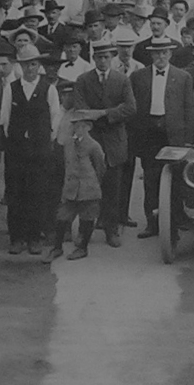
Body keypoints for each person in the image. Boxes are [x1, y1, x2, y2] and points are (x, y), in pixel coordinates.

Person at [128, 37, 194, 244]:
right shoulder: (138, 77)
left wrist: (188, 139)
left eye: (164, 52)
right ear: (151, 55)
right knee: (150, 178)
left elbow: (188, 109)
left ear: (170, 54)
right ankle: (152, 222)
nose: (160, 56)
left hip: (173, 133)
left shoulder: (182, 76)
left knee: (175, 178)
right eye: (156, 53)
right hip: (148, 133)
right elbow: (132, 109)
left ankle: (174, 220)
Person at [0, 44, 63, 255]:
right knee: (16, 193)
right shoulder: (11, 88)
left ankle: (35, 237)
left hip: (40, 150)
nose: (30, 69)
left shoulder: (48, 88)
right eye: (26, 65)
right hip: (16, 150)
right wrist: (15, 139)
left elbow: (55, 117)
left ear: (39, 65)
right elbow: (5, 118)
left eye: (33, 64)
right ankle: (17, 238)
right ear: (21, 66)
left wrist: (45, 140)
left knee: (37, 193)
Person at [70, 40, 137, 242]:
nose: (102, 61)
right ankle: (85, 231)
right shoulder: (83, 80)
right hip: (91, 140)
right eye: (99, 57)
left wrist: (104, 113)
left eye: (106, 57)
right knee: (88, 189)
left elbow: (131, 108)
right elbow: (81, 111)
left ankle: (111, 230)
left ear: (112, 58)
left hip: (115, 141)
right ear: (93, 59)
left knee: (112, 188)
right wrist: (93, 116)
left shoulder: (122, 80)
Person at [45, 114, 106, 262]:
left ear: (88, 127)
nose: (77, 129)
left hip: (88, 189)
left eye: (81, 126)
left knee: (87, 218)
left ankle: (82, 248)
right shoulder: (68, 144)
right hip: (71, 188)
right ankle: (57, 247)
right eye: (75, 126)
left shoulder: (94, 146)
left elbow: (100, 168)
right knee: (62, 217)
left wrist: (93, 184)